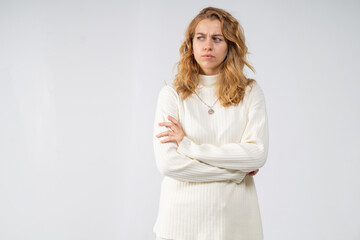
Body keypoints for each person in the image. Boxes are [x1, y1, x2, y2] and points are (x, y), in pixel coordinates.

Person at [152, 6, 269, 240]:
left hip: (236, 222)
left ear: (230, 46)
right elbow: (169, 164)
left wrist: (188, 147)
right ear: (191, 44)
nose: (208, 46)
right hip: (180, 223)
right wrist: (235, 172)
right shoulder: (172, 95)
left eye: (217, 39)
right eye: (200, 38)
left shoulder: (249, 92)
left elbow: (256, 155)